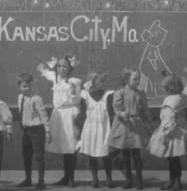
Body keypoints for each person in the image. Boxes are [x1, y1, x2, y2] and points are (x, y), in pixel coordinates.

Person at [37, 55, 81, 187]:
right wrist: (45, 67)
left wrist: (73, 92)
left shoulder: (75, 81)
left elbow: (77, 100)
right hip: (58, 115)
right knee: (64, 146)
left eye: (65, 66)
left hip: (70, 114)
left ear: (70, 68)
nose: (62, 69)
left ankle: (71, 178)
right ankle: (65, 177)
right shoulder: (55, 78)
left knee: (71, 146)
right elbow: (44, 71)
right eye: (59, 66)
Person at [148, 74, 187, 191]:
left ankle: (177, 182)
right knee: (172, 158)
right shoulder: (181, 96)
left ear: (170, 87)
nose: (163, 89)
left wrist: (165, 134)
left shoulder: (171, 100)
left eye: (165, 87)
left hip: (172, 133)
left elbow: (169, 119)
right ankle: (173, 180)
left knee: (173, 159)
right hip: (176, 130)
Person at [108, 68, 150, 190]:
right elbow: (116, 108)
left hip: (135, 125)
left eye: (139, 79)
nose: (137, 81)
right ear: (127, 79)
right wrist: (122, 114)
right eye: (135, 79)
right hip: (124, 125)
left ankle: (140, 181)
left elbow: (145, 108)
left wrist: (148, 119)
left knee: (137, 154)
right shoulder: (120, 92)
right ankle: (128, 180)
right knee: (125, 154)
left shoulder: (141, 93)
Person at [76, 72, 115, 188]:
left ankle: (109, 178)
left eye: (104, 82)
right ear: (93, 83)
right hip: (91, 128)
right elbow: (82, 113)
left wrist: (113, 128)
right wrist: (79, 130)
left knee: (106, 154)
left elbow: (111, 112)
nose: (103, 84)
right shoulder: (85, 95)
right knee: (92, 154)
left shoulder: (108, 95)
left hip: (104, 128)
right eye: (100, 81)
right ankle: (95, 178)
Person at [15, 73, 49, 190]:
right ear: (19, 87)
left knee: (39, 156)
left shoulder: (36, 99)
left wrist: (48, 131)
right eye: (24, 86)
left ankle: (41, 180)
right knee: (26, 155)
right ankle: (28, 179)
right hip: (26, 131)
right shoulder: (20, 98)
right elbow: (21, 113)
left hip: (37, 130)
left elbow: (43, 115)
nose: (27, 88)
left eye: (29, 86)